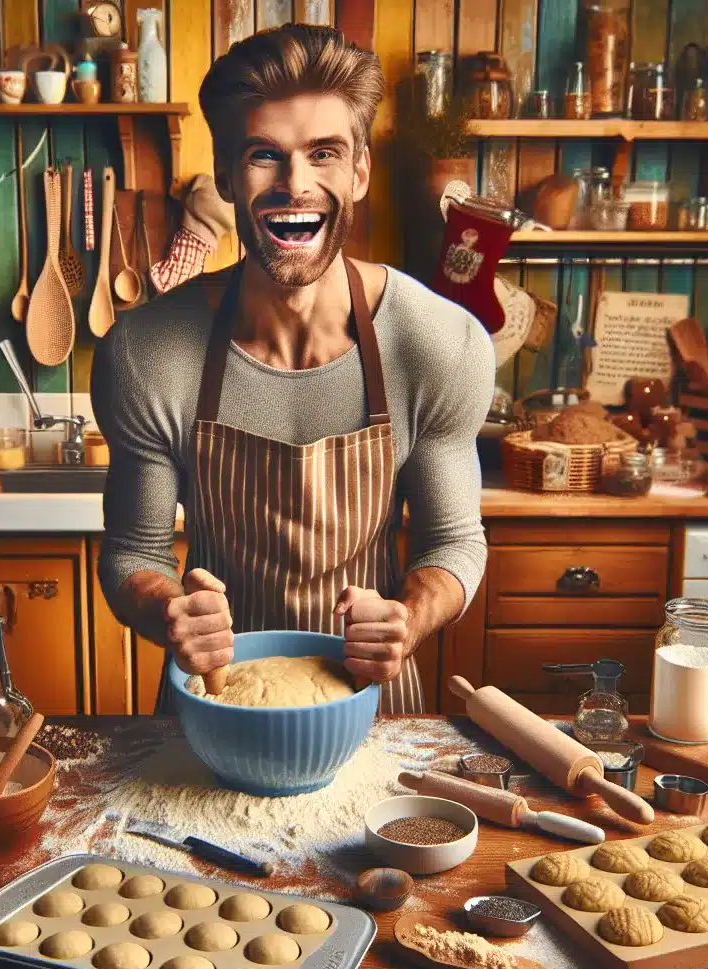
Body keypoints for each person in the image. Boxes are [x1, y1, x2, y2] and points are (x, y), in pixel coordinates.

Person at [90, 24, 494, 713]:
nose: (295, 186)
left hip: (373, 708)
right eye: (263, 156)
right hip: (216, 709)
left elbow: (454, 541)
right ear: (225, 175)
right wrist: (169, 611)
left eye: (324, 153)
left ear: (359, 171)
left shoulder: (437, 343)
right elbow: (134, 552)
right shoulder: (147, 353)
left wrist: (408, 617)